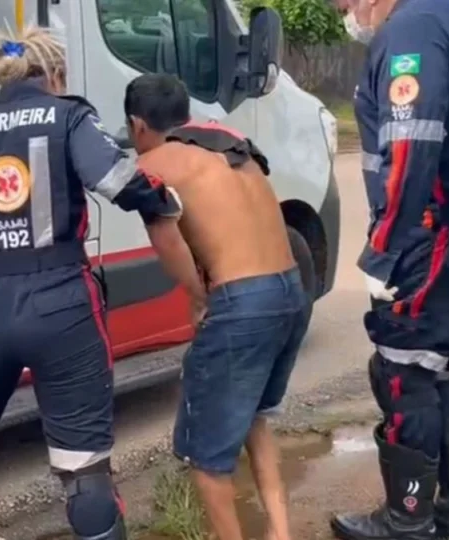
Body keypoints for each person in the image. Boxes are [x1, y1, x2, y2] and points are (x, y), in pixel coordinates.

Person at [0, 26, 201, 540]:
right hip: (62, 309)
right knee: (82, 468)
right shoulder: (69, 115)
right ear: (54, 74)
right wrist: (166, 203)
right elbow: (116, 180)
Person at [327, 0, 449, 538]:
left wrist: (385, 248)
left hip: (438, 230)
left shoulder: (414, 28)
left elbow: (411, 148)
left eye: (346, 1)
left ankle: (408, 518)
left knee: (401, 374)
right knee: (431, 367)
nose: (342, 11)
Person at [125, 73, 312, 540]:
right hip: (292, 290)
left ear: (136, 124)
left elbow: (169, 242)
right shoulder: (226, 141)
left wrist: (198, 296)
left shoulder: (155, 165)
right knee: (254, 420)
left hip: (243, 302)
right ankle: (280, 533)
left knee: (206, 458)